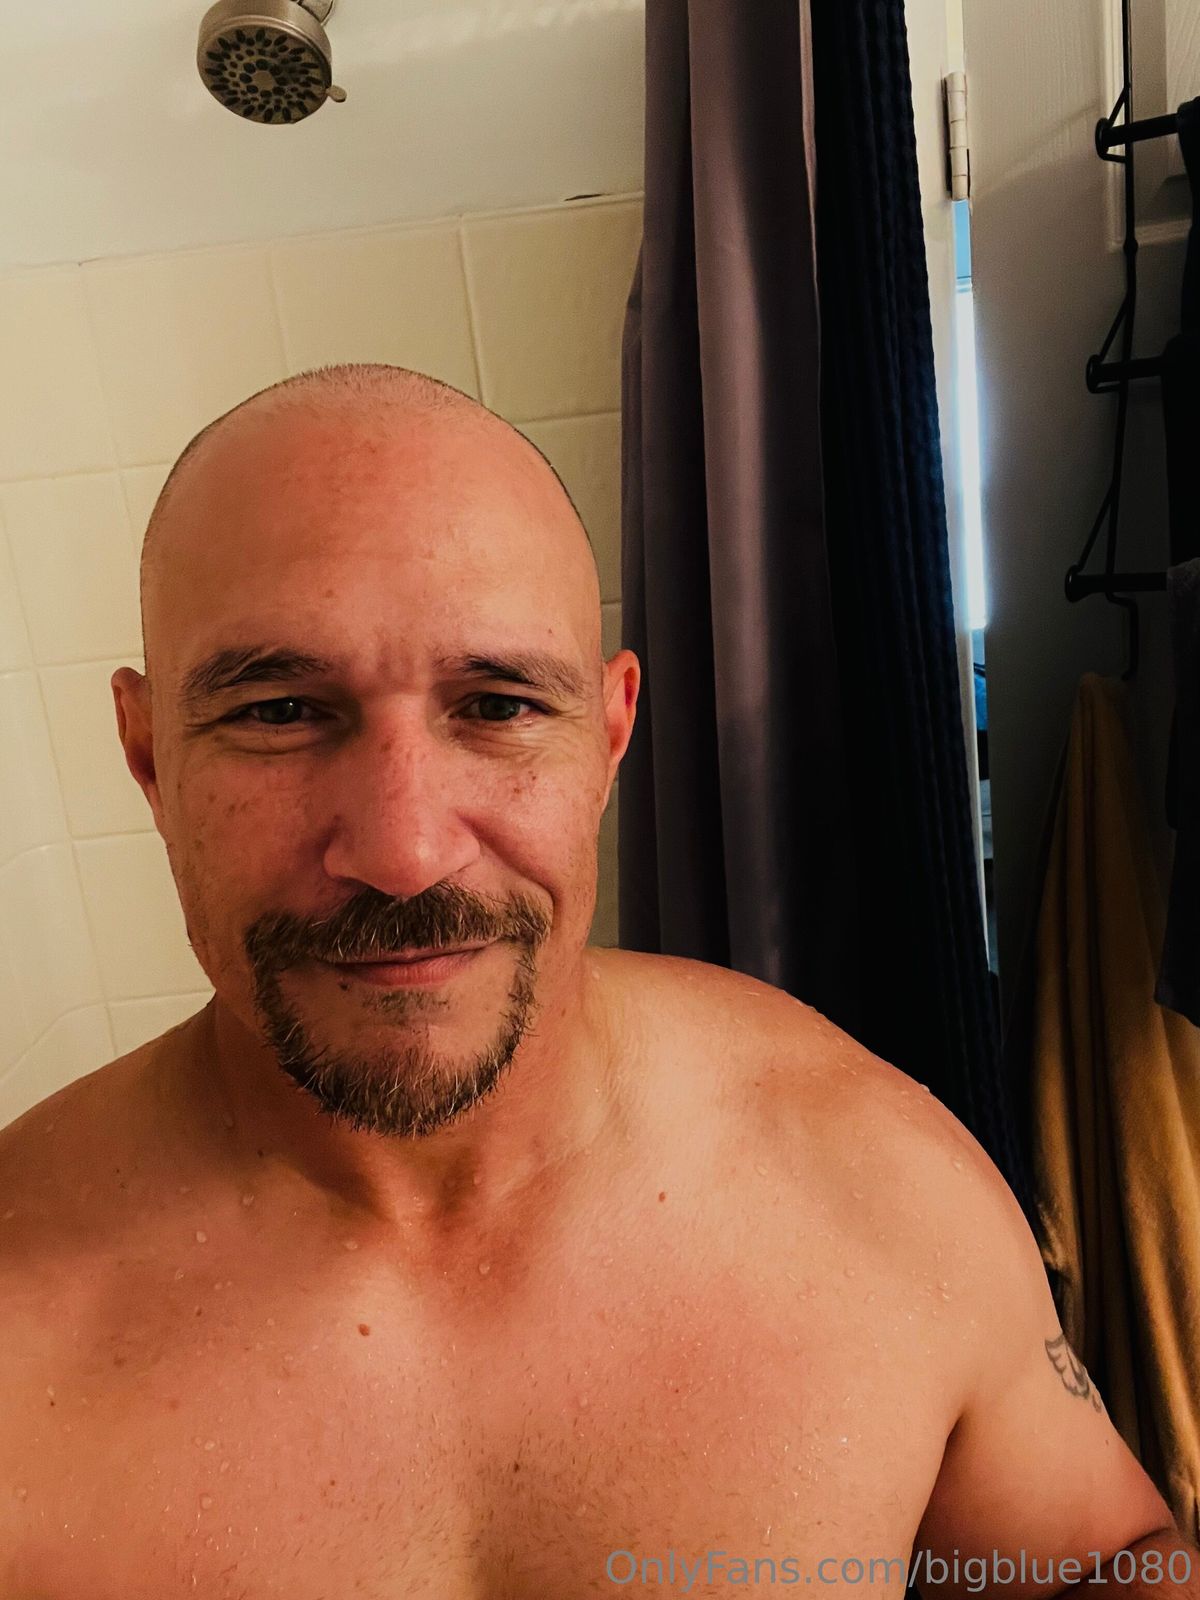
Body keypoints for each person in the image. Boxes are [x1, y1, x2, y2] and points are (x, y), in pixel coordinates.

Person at [0, 362, 1191, 1599]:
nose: (406, 851)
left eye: (499, 705)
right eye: (281, 710)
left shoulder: (870, 1179)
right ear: (148, 752)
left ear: (611, 736)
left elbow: (1096, 1561)